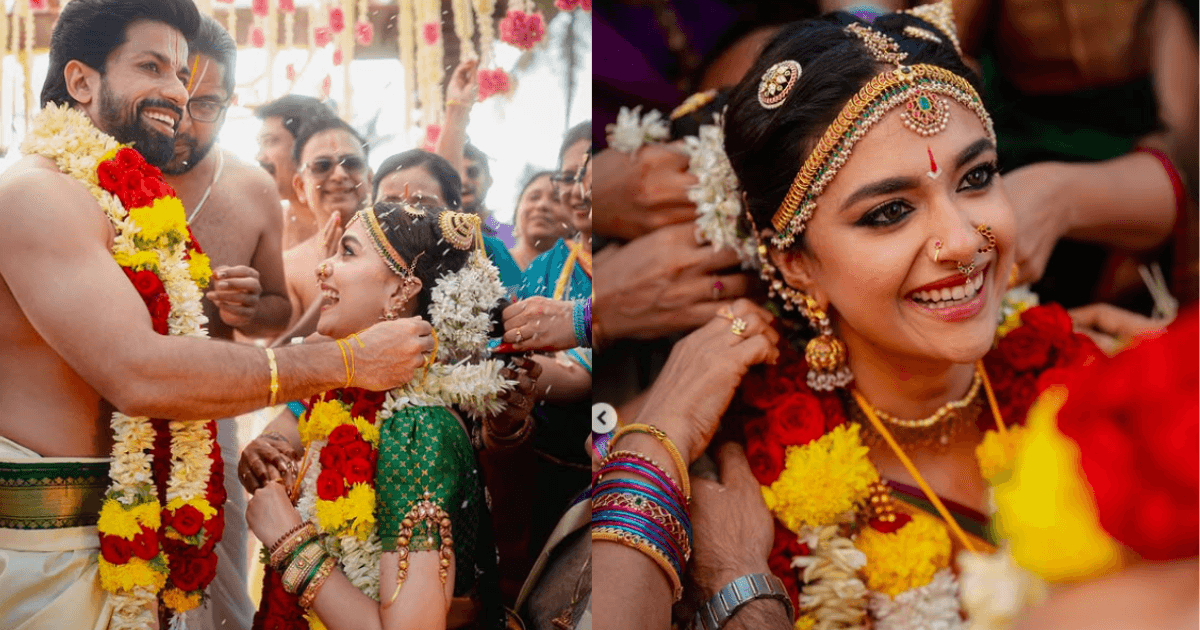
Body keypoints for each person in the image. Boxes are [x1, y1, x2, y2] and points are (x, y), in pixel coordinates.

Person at [593, 8, 1176, 629]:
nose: (960, 241)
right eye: (889, 212)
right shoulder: (722, 496)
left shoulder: (1102, 391)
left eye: (976, 178)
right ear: (796, 265)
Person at [0, 1, 431, 628]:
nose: (176, 92)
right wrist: (344, 362)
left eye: (180, 73)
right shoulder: (36, 194)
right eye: (152, 66)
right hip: (42, 557)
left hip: (133, 540)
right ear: (81, 81)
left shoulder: (120, 199)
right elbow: (138, 374)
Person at [245, 204, 507, 630]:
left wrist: (289, 543)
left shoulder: (416, 428)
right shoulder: (342, 397)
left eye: (347, 253)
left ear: (401, 291)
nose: (323, 267)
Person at [159, 15, 291, 630]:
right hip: (98, 407)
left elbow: (280, 310)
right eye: (178, 101)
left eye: (206, 105)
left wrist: (246, 307)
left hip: (212, 413)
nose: (185, 124)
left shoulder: (252, 187)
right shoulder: (100, 175)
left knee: (219, 578)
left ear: (231, 101)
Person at [373, 149, 523, 291]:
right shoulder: (354, 264)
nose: (404, 213)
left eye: (421, 204)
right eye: (389, 204)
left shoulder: (487, 252)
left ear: (455, 214)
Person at [280, 115, 372, 339]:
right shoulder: (287, 269)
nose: (339, 175)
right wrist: (329, 287)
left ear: (369, 179)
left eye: (351, 163)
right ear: (301, 186)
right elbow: (279, 359)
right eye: (322, 166)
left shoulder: (399, 247)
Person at [255, 94, 335, 250]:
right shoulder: (264, 227)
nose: (259, 157)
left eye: (270, 141)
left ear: (308, 146)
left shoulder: (358, 225)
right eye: (260, 144)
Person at [508, 171, 572, 271]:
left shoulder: (584, 275)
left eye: (556, 199)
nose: (542, 205)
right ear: (517, 211)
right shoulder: (486, 263)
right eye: (534, 197)